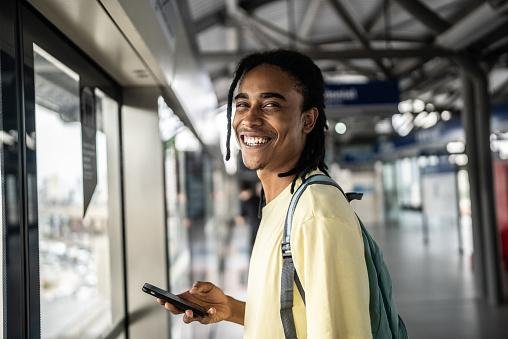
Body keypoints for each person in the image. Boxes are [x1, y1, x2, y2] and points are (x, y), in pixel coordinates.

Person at [157, 50, 371, 338]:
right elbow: (298, 318)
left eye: (270, 105)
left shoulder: (316, 214)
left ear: (307, 120)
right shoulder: (282, 204)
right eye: (242, 104)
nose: (250, 119)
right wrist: (230, 309)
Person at [237, 181, 261, 252]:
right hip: (254, 227)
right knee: (253, 246)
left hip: (260, 225)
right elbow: (242, 217)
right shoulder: (245, 202)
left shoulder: (257, 199)